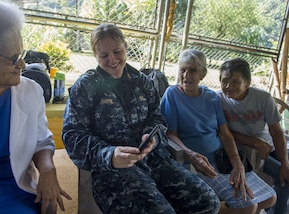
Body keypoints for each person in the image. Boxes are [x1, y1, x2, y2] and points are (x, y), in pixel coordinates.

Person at [62, 23, 220, 213]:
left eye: (117, 51)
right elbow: (73, 136)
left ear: (126, 48)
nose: (112, 60)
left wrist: (152, 137)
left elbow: (158, 119)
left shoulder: (142, 82)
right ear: (95, 56)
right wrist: (109, 154)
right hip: (113, 173)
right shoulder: (85, 87)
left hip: (153, 160)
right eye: (104, 55)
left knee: (207, 203)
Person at [0, 0, 71, 213]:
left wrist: (48, 169)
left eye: (22, 55)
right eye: (13, 58)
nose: (22, 65)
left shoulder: (29, 92)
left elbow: (42, 141)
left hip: (12, 187)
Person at [160, 49, 276, 214]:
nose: (186, 75)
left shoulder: (211, 97)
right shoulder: (172, 94)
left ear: (203, 73)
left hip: (222, 160)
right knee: (248, 205)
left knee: (269, 198)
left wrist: (237, 164)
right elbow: (170, 133)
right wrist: (190, 154)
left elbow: (225, 132)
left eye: (192, 70)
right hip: (198, 164)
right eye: (182, 70)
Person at [217, 58, 289, 214]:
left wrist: (284, 162)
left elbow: (276, 132)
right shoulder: (217, 99)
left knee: (286, 174)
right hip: (240, 149)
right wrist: (253, 142)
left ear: (247, 83)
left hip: (267, 147)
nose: (229, 86)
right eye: (225, 81)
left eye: (235, 81)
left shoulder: (263, 98)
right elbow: (221, 131)